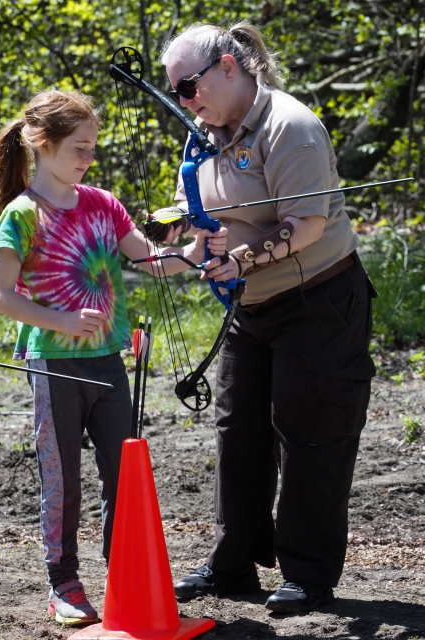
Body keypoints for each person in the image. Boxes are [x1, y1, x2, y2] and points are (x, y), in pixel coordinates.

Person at [150, 22, 377, 614]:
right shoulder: (204, 136)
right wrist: (169, 254)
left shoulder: (291, 127)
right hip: (250, 307)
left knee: (308, 434)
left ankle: (308, 574)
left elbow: (306, 227)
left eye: (188, 86)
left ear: (229, 65)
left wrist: (241, 259)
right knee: (237, 433)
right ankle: (232, 566)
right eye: (175, 91)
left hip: (320, 302)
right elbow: (206, 232)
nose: (183, 100)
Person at [0, 90, 226, 626]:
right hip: (54, 363)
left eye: (92, 148)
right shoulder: (21, 215)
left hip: (109, 362)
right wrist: (63, 321)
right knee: (62, 477)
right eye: (79, 148)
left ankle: (125, 573)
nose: (88, 158)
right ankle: (63, 582)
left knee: (125, 473)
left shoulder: (102, 202)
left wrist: (195, 247)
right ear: (42, 145)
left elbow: (154, 261)